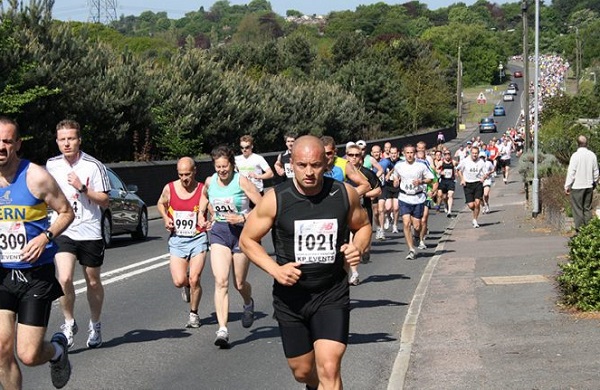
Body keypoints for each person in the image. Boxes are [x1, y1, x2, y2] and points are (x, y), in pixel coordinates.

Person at [239, 135, 371, 390]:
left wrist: (357, 247)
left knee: (330, 368)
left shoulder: (343, 194)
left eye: (316, 165)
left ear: (327, 163)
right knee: (302, 372)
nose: (309, 172)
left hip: (330, 292)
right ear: (292, 164)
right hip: (292, 297)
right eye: (302, 165)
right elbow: (247, 240)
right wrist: (275, 269)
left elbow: (363, 226)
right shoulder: (277, 198)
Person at [0, 117, 75, 389]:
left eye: (7, 141)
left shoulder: (36, 176)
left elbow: (67, 212)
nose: (1, 147)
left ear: (17, 144)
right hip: (2, 274)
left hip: (35, 275)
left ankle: (57, 350)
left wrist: (46, 237)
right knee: (1, 351)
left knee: (28, 355)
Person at [46, 120, 110, 349]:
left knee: (93, 281)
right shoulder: (51, 165)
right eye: (62, 139)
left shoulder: (93, 166)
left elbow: (105, 201)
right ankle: (69, 322)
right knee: (63, 278)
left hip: (90, 231)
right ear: (57, 141)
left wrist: (82, 188)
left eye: (71, 138)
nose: (66, 143)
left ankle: (95, 323)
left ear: (79, 140)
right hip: (64, 229)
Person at [199, 145, 262, 348]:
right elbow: (204, 196)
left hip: (241, 234)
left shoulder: (241, 181)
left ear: (232, 165)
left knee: (239, 283)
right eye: (218, 167)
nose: (221, 170)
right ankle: (223, 329)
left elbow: (262, 204)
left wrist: (243, 216)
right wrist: (203, 213)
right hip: (219, 233)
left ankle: (248, 303)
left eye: (224, 166)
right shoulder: (210, 181)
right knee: (221, 281)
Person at [156, 157, 209, 328]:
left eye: (187, 174)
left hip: (198, 237)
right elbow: (160, 203)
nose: (184, 178)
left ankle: (194, 313)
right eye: (181, 175)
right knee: (179, 281)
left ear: (194, 171)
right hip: (178, 239)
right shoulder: (170, 188)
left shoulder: (202, 189)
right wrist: (165, 218)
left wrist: (208, 221)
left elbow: (212, 209)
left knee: (195, 278)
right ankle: (187, 285)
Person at [346, 143, 381, 283]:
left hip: (363, 213)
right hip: (347, 214)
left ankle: (366, 251)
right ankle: (354, 273)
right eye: (351, 155)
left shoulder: (367, 173)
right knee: (350, 244)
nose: (354, 158)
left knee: (363, 247)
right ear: (346, 156)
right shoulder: (341, 172)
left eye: (357, 155)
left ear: (361, 157)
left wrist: (361, 195)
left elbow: (378, 190)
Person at [393, 145, 434, 260]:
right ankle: (411, 249)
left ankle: (417, 236)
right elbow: (395, 178)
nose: (409, 155)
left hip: (418, 198)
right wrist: (396, 182)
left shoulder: (421, 165)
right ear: (403, 154)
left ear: (414, 153)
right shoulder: (399, 165)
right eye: (407, 153)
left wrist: (421, 181)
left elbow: (431, 178)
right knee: (406, 223)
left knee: (416, 225)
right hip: (404, 197)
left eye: (411, 152)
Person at [564, 135, 599, 232]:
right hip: (588, 185)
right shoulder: (592, 155)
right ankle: (589, 230)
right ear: (586, 143)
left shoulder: (575, 156)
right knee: (587, 208)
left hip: (577, 186)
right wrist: (594, 182)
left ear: (577, 144)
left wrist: (567, 186)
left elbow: (571, 172)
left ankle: (580, 231)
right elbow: (596, 171)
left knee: (577, 209)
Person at [456, 146, 489, 228]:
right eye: (473, 153)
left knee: (477, 203)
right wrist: (462, 179)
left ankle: (475, 220)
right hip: (468, 184)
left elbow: (486, 173)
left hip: (477, 183)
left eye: (476, 153)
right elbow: (458, 170)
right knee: (471, 205)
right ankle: (475, 211)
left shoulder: (481, 162)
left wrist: (483, 178)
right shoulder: (465, 161)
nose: (475, 155)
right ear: (470, 153)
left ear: (478, 154)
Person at [437, 149, 457, 217]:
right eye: (446, 154)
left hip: (451, 181)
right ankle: (445, 204)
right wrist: (440, 172)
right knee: (444, 197)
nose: (447, 156)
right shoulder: (441, 162)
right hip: (443, 181)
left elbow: (458, 167)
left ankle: (449, 211)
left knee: (450, 195)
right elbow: (436, 170)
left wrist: (456, 172)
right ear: (444, 155)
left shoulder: (453, 162)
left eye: (448, 154)